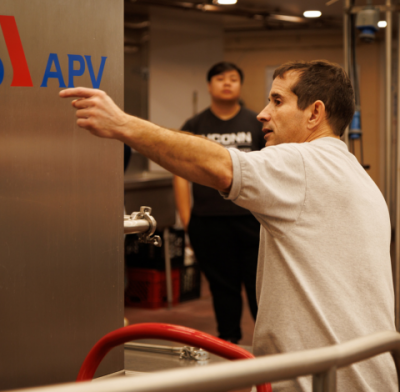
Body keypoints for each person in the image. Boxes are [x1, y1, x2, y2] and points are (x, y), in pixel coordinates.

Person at [59, 60, 397, 391]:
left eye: (277, 101)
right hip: (367, 374)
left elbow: (220, 166)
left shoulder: (304, 161)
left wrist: (123, 125)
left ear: (314, 113)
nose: (263, 113)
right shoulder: (356, 175)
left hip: (322, 382)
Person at [174, 62, 264, 344]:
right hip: (209, 223)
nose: (227, 83)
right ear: (209, 85)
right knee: (222, 289)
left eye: (234, 79)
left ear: (240, 85)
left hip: (253, 221)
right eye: (220, 78)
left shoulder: (257, 123)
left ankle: (271, 349)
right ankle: (229, 345)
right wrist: (188, 220)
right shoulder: (195, 126)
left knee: (260, 288)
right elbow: (180, 175)